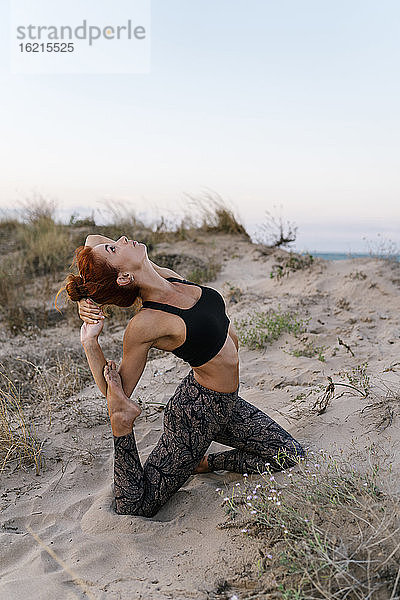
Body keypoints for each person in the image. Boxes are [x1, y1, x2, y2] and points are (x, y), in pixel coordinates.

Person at [62, 234, 305, 518]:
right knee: (138, 506)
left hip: (227, 404)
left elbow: (91, 240)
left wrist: (89, 290)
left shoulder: (168, 277)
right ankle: (122, 428)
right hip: (197, 413)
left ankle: (203, 463)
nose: (123, 238)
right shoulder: (145, 323)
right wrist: (90, 342)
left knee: (289, 454)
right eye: (115, 247)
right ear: (125, 277)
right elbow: (115, 391)